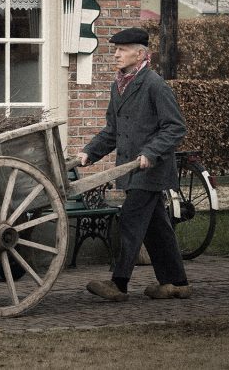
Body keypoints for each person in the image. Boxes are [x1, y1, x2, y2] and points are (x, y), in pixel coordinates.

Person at [78, 27, 192, 302]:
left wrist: (151, 152)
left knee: (130, 220)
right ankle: (176, 282)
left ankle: (119, 284)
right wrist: (89, 153)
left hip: (150, 170)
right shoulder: (118, 87)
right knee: (156, 228)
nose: (115, 54)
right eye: (115, 49)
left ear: (140, 54)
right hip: (131, 170)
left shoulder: (154, 84)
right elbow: (112, 131)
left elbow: (175, 127)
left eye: (122, 49)